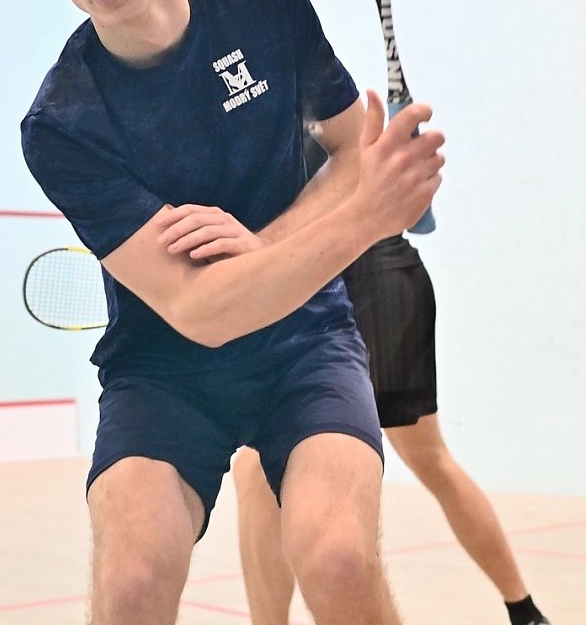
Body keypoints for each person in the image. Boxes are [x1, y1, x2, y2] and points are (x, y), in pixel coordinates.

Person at [0, 0, 444, 625]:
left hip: (305, 341)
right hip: (163, 372)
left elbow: (351, 149)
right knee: (132, 587)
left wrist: (266, 244)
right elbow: (201, 311)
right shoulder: (63, 123)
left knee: (338, 559)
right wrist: (364, 219)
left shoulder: (261, 2)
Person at [232, 226, 552, 625]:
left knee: (424, 457)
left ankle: (524, 610)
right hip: (317, 286)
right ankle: (525, 611)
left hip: (366, 283)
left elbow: (410, 211)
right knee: (256, 470)